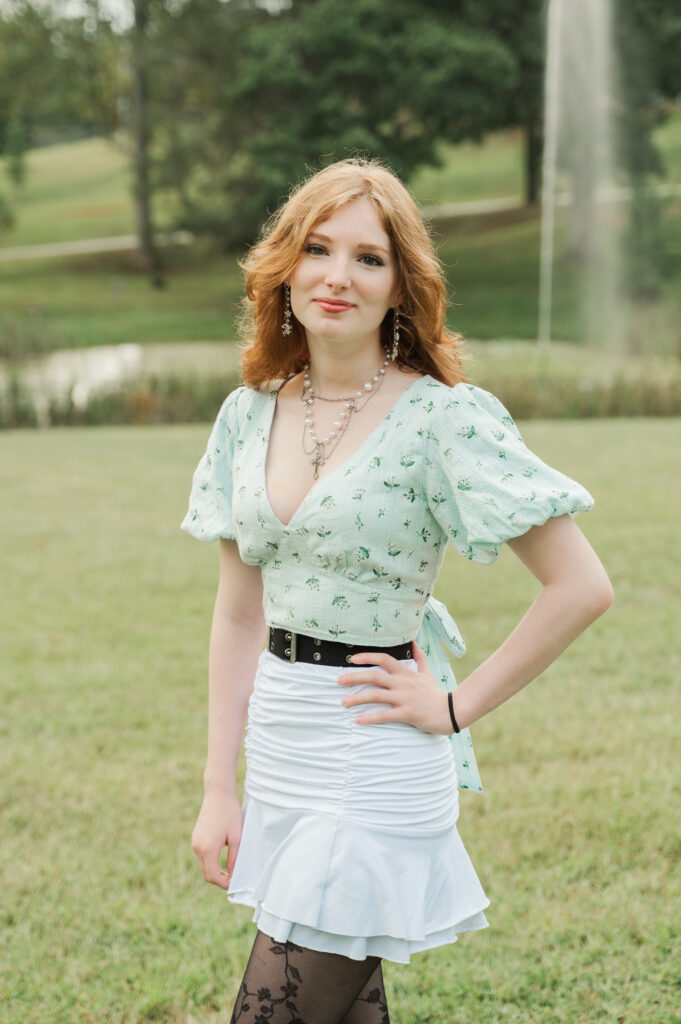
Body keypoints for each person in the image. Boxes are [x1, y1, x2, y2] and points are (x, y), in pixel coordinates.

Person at [180, 157, 613, 1023]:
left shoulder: (442, 418)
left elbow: (579, 586)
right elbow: (237, 613)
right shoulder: (247, 413)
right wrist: (217, 788)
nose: (337, 276)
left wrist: (453, 708)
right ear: (285, 269)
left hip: (371, 754)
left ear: (398, 288)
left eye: (368, 258)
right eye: (318, 249)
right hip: (282, 746)